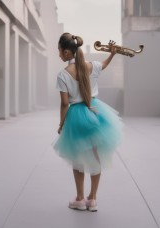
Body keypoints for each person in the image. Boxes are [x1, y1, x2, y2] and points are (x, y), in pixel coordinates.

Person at [53, 33, 123, 212]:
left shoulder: (63, 75)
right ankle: (93, 199)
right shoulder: (91, 66)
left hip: (76, 115)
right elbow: (104, 65)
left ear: (68, 52)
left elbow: (64, 103)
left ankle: (79, 198)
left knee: (78, 158)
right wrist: (112, 54)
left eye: (60, 51)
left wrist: (62, 124)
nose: (59, 54)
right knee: (95, 156)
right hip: (95, 111)